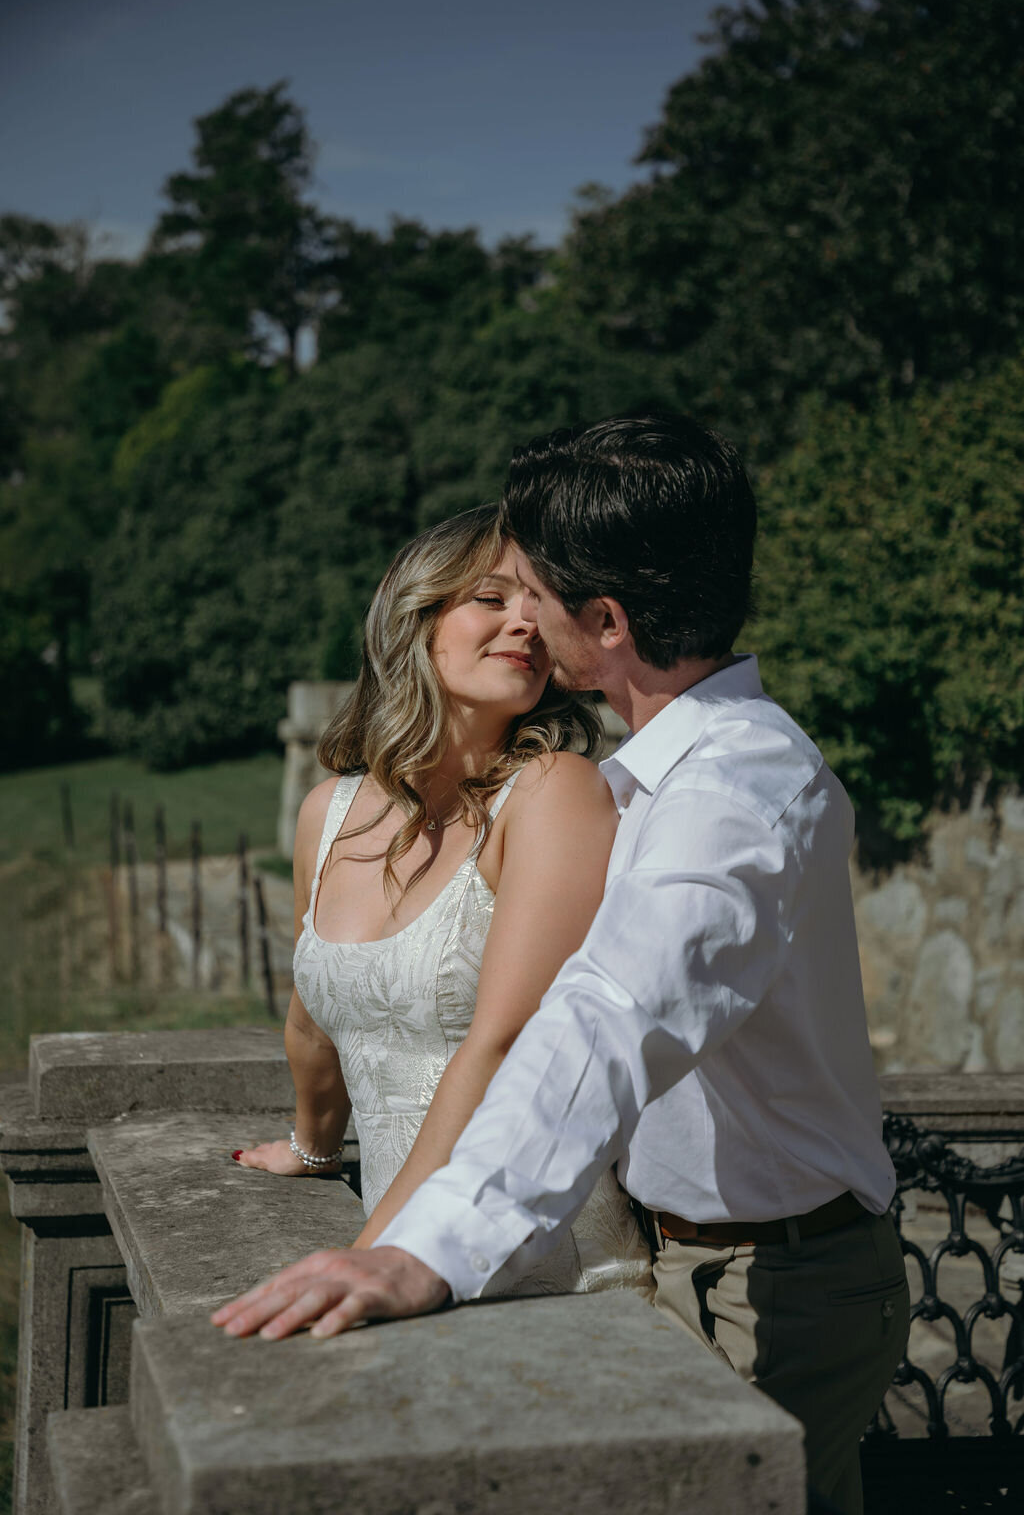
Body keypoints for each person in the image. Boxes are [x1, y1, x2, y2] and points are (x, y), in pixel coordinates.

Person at [213, 417, 909, 1515]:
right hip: (705, 1261)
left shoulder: (731, 798)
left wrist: (419, 1252)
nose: (519, 617)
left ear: (608, 622)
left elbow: (605, 1018)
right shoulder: (651, 775)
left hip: (776, 1284)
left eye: (530, 587)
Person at [229, 504, 652, 1298]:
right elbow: (312, 1020)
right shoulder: (328, 813)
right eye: (492, 599)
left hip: (535, 1260)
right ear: (415, 618)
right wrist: (315, 1150)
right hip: (401, 1248)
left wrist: (372, 1250)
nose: (526, 623)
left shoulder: (553, 793)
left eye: (540, 603)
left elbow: (505, 1044)